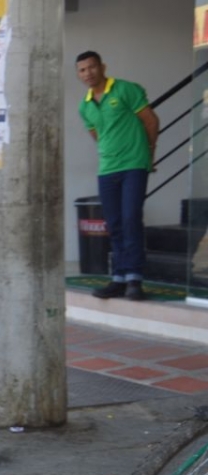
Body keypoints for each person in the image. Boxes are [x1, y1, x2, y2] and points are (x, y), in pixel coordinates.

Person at [76, 51, 159, 301]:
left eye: (91, 67)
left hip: (134, 164)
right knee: (114, 223)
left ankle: (135, 278)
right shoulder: (85, 105)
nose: (87, 73)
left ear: (102, 67)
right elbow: (98, 136)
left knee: (131, 218)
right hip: (107, 170)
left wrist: (149, 154)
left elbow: (151, 122)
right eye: (82, 70)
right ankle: (119, 278)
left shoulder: (125, 89)